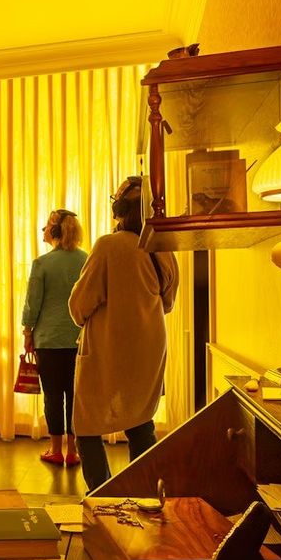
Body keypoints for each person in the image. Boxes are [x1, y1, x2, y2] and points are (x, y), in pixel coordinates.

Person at [68, 176, 178, 491]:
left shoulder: (108, 246)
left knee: (87, 427)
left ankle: (101, 495)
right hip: (149, 349)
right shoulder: (162, 247)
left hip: (107, 350)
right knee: (140, 423)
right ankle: (143, 492)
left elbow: (79, 306)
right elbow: (168, 302)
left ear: (119, 210)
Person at [21, 208, 88, 466]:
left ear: (55, 231)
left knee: (52, 396)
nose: (43, 230)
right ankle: (73, 451)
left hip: (48, 340)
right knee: (75, 396)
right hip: (80, 339)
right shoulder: (86, 260)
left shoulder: (42, 263)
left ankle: (56, 449)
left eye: (46, 226)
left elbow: (33, 303)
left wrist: (27, 332)